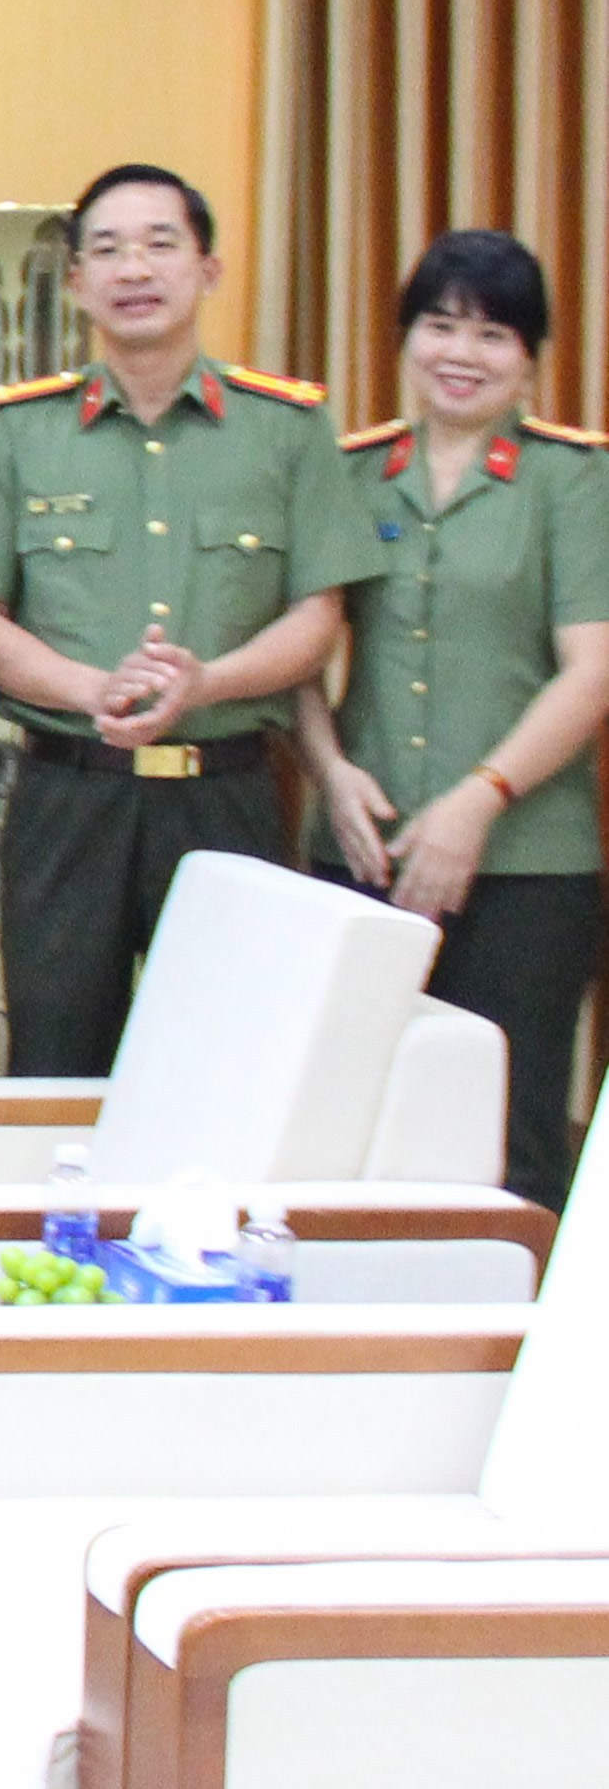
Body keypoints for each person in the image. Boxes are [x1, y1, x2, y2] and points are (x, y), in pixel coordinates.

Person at [0, 163, 384, 1078]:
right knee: (54, 1069)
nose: (132, 267)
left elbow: (317, 615)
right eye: (105, 249)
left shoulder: (287, 427)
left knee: (224, 1069)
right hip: (69, 796)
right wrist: (90, 689)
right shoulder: (16, 430)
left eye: (159, 243)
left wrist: (209, 682)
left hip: (223, 792)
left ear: (208, 269)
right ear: (74, 282)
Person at [299, 230, 609, 1211]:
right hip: (364, 850)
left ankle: (514, 1362)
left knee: (507, 1148)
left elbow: (592, 670)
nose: (460, 354)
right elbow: (297, 651)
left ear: (529, 359)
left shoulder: (574, 479)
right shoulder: (348, 473)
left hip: (528, 865)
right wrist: (329, 771)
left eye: (491, 334)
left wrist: (479, 800)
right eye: (439, 326)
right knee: (347, 1131)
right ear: (404, 339)